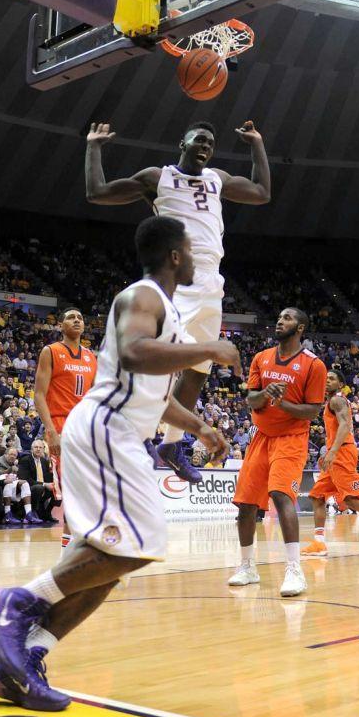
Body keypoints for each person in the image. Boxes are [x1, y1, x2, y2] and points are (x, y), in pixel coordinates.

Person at [0, 215, 241, 711]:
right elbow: (136, 352)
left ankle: (21, 661)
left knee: (103, 566)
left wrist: (200, 426)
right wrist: (208, 347)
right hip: (105, 431)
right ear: (176, 255)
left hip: (120, 433)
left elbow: (155, 393)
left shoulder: (165, 309)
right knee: (140, 546)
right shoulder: (142, 297)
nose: (198, 256)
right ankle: (17, 601)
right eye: (192, 248)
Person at [85, 119, 270, 482]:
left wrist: (257, 144)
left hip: (212, 281)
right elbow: (98, 192)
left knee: (200, 368)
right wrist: (94, 146)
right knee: (161, 358)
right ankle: (125, 433)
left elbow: (262, 192)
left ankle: (172, 443)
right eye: (199, 138)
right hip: (177, 278)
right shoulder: (158, 177)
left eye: (211, 142)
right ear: (181, 142)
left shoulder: (217, 178)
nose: (205, 145)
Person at [228, 308, 327, 597]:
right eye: (279, 316)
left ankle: (294, 570)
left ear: (300, 328)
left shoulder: (314, 365)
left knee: (281, 495)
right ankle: (247, 566)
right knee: (246, 504)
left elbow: (312, 411)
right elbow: (251, 399)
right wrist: (267, 393)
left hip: (292, 438)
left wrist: (282, 404)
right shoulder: (261, 357)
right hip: (261, 436)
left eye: (287, 318)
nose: (280, 321)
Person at [34, 307, 97, 553]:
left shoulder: (91, 356)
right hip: (61, 425)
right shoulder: (51, 351)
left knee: (87, 489)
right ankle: (67, 552)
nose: (77, 320)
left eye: (80, 317)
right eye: (71, 317)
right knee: (71, 489)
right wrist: (50, 431)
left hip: (85, 428)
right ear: (61, 325)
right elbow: (39, 395)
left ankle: (83, 546)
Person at [302, 370, 359, 556]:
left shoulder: (336, 400)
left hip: (341, 452)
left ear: (341, 384)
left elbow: (345, 426)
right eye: (325, 379)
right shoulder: (332, 401)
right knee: (317, 497)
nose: (327, 381)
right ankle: (319, 543)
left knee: (351, 499)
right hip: (335, 452)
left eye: (332, 379)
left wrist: (332, 451)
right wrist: (329, 450)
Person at [18, 439, 60, 523]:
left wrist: (55, 483)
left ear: (43, 449)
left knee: (59, 489)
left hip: (42, 487)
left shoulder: (44, 461)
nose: (38, 449)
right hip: (28, 488)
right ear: (31, 449)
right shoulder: (25, 460)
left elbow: (48, 478)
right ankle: (32, 512)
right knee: (39, 488)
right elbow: (26, 479)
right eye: (36, 447)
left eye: (40, 447)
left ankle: (47, 513)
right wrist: (45, 484)